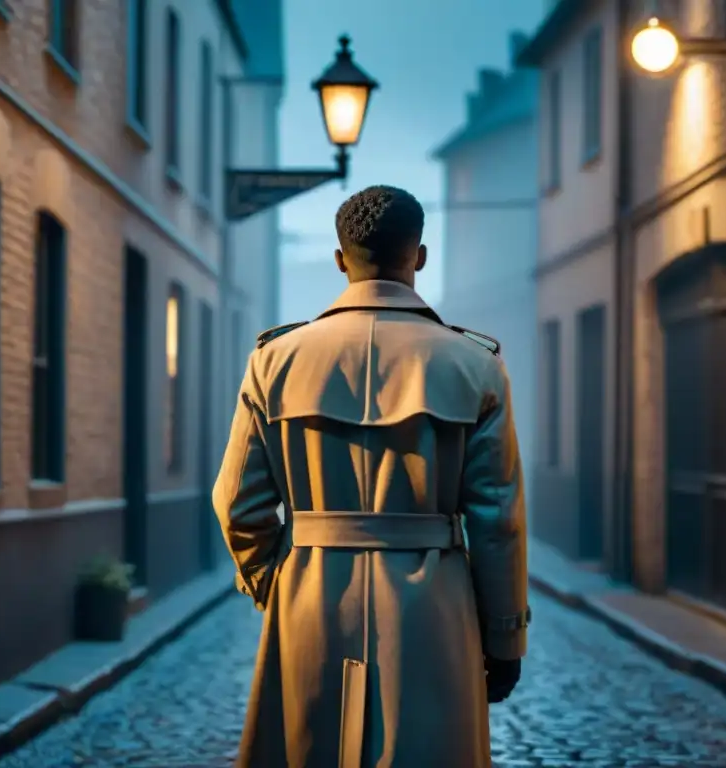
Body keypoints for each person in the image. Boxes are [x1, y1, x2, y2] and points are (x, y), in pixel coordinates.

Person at [212, 185, 529, 768]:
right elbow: (498, 521)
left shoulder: (274, 362)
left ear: (340, 258)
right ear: (421, 255)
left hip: (308, 593)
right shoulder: (476, 365)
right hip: (435, 608)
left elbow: (237, 504)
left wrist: (273, 583)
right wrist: (504, 638)